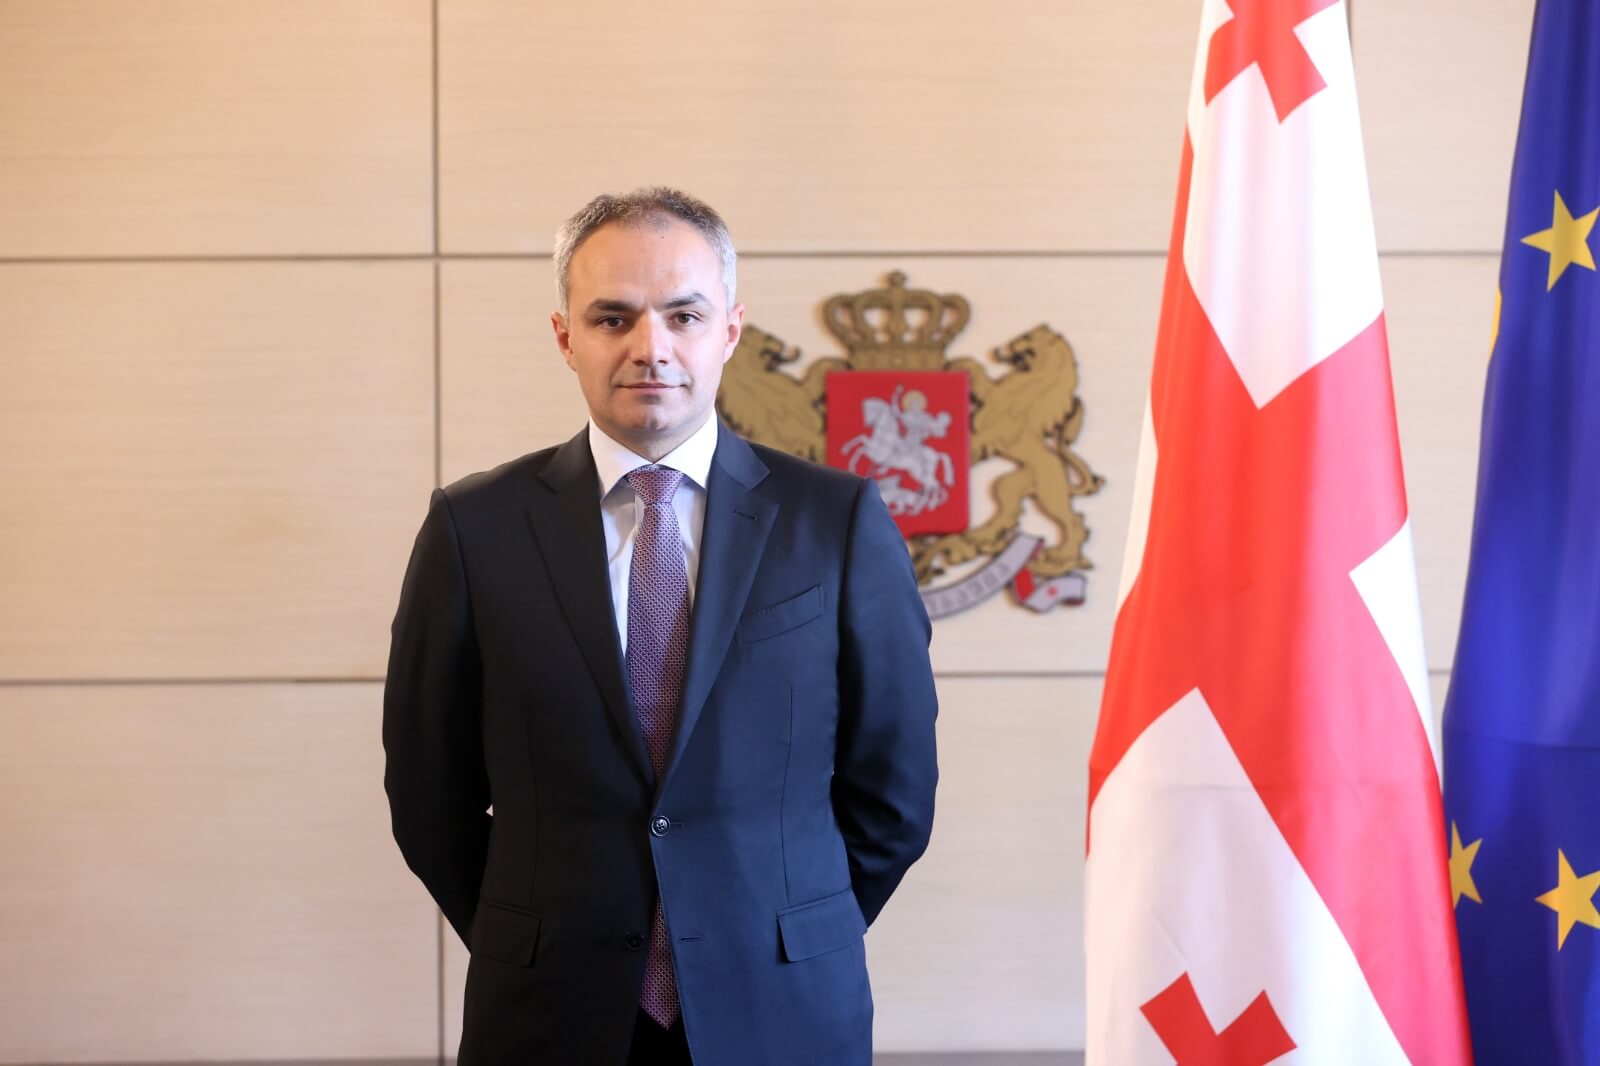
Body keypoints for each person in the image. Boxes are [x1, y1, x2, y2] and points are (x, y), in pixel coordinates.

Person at [382, 187, 939, 1065]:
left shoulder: (836, 522)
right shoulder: (472, 529)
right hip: (550, 1013)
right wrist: (533, 936)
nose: (651, 348)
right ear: (565, 337)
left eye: (684, 315)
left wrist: (783, 930)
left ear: (730, 331)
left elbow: (895, 794)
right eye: (613, 318)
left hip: (783, 1008)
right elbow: (428, 797)